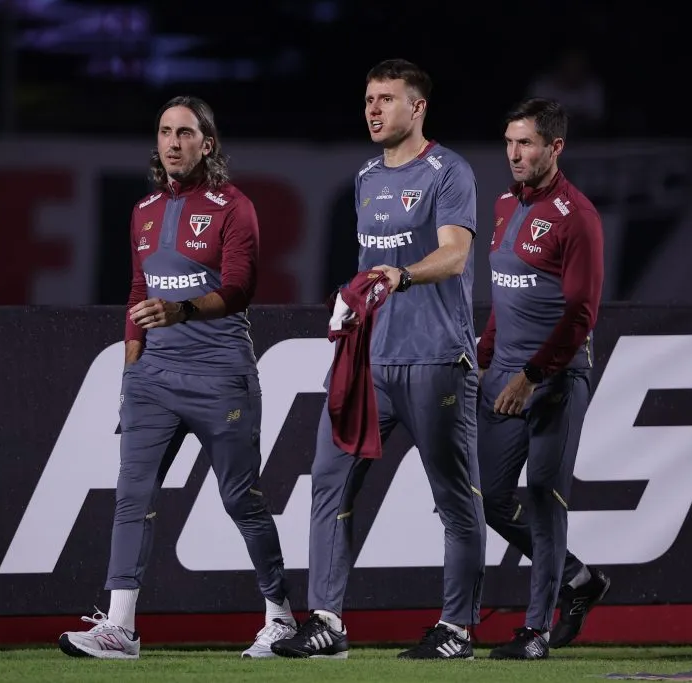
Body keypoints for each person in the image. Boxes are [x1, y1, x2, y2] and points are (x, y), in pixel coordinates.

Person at [58, 95, 296, 660]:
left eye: (185, 133)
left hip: (219, 375)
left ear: (206, 144)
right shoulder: (142, 210)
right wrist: (131, 370)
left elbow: (240, 288)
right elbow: (139, 294)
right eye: (165, 132)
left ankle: (282, 615)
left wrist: (182, 310)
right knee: (131, 496)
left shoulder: (234, 207)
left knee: (241, 498)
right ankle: (121, 628)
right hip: (153, 379)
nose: (172, 142)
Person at [272, 58, 486, 660]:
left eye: (386, 98)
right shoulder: (365, 176)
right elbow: (371, 270)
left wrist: (403, 275)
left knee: (454, 498)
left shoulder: (450, 172)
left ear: (417, 108)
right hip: (368, 364)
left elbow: (454, 257)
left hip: (436, 359)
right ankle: (327, 622)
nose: (372, 108)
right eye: (368, 98)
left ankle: (457, 629)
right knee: (328, 485)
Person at [478, 97, 609, 660]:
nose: (514, 153)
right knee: (492, 500)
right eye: (509, 142)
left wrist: (531, 376)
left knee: (544, 495)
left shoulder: (579, 216)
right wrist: (484, 355)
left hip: (554, 376)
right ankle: (579, 578)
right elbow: (503, 297)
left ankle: (535, 631)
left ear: (555, 147)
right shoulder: (506, 203)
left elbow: (581, 314)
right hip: (504, 373)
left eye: (526, 143)